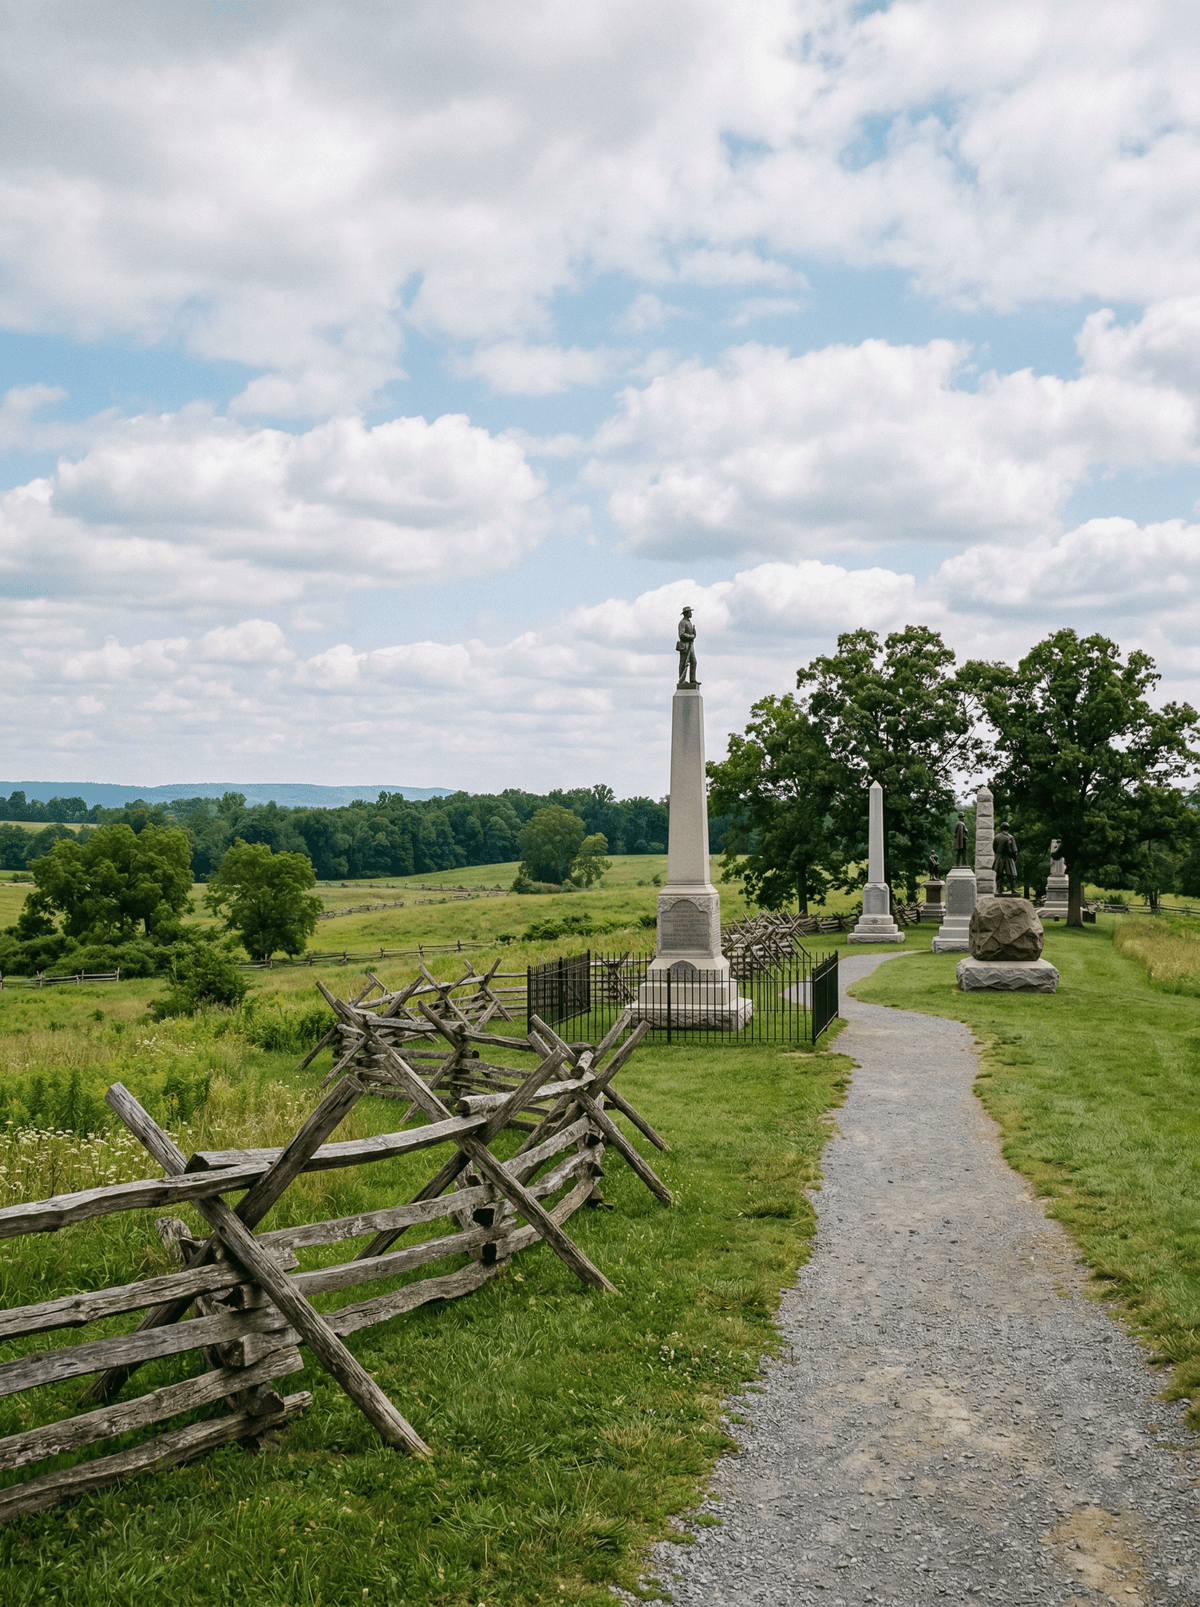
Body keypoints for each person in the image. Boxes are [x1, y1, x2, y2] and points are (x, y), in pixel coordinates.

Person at [993, 821, 1019, 894]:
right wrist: (1013, 859)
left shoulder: (997, 837)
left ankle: (999, 889)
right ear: (1008, 828)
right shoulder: (1010, 837)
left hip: (999, 857)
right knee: (1011, 875)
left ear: (1001, 828)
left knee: (999, 875)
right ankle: (1013, 889)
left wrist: (998, 855)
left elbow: (994, 848)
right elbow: (1014, 851)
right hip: (1008, 857)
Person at [676, 607, 699, 687]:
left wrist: (693, 634)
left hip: (690, 646)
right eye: (690, 612)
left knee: (694, 662)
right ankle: (681, 680)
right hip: (685, 646)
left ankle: (692, 679)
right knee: (683, 663)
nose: (691, 614)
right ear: (686, 613)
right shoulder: (682, 622)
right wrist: (691, 636)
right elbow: (681, 634)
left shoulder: (688, 622)